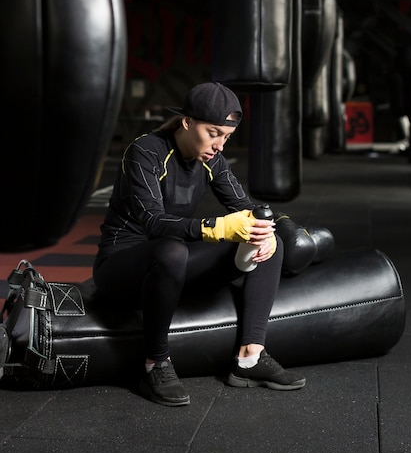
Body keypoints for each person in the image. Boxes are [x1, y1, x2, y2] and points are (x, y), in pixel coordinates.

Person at [93, 81, 306, 406]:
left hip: (172, 267)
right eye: (213, 133)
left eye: (227, 137)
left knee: (268, 242)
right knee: (172, 250)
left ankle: (250, 357)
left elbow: (244, 208)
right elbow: (153, 221)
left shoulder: (212, 161)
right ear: (187, 122)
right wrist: (217, 227)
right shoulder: (145, 151)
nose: (220, 144)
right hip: (121, 268)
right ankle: (155, 364)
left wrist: (265, 229)